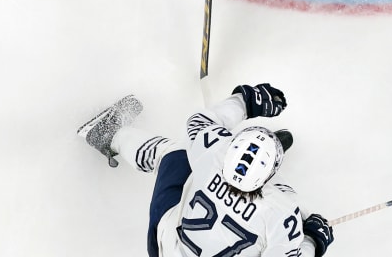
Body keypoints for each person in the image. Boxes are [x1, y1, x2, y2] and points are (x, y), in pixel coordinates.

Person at [78, 83, 335, 257]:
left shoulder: (214, 152)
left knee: (175, 155)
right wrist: (312, 238)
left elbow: (199, 122)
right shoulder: (283, 208)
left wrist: (245, 101)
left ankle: (110, 134)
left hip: (166, 246)